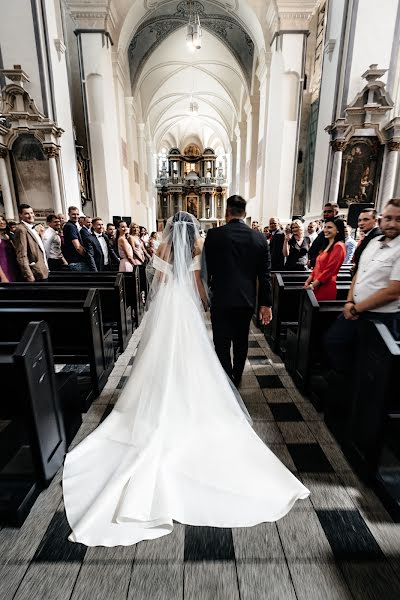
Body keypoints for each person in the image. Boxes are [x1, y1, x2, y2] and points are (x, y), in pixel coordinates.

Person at [63, 210, 309, 547]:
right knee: (193, 358)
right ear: (191, 229)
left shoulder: (163, 250)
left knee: (159, 357)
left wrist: (158, 305)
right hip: (185, 307)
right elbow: (196, 283)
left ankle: (159, 399)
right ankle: (188, 401)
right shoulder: (196, 246)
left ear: (168, 231)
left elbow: (159, 282)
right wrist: (204, 303)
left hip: (167, 307)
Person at [204, 195, 273, 387]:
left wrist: (205, 294)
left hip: (221, 298)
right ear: (245, 213)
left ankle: (226, 379)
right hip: (246, 300)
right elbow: (265, 275)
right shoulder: (259, 238)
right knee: (241, 341)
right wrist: (266, 304)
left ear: (227, 212)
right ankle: (237, 375)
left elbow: (207, 269)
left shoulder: (214, 235)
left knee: (221, 342)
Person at [326, 198, 400, 373]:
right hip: (357, 310)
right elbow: (359, 273)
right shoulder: (374, 242)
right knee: (334, 342)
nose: (392, 223)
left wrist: (356, 308)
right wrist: (350, 301)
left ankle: (357, 392)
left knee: (373, 366)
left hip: (381, 317)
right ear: (381, 220)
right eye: (388, 218)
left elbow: (393, 291)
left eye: (398, 219)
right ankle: (349, 384)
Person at [303, 219, 346, 300]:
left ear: (338, 230)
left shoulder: (339, 246)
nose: (326, 230)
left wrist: (312, 285)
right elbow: (317, 267)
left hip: (325, 287)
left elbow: (329, 271)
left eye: (329, 227)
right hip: (316, 286)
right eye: (325, 227)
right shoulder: (327, 246)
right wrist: (307, 281)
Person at [13, 204, 49, 281]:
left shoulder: (31, 227)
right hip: (35, 273)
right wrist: (29, 275)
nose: (31, 215)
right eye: (27, 213)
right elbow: (22, 255)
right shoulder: (21, 230)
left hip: (42, 269)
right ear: (20, 215)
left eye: (32, 213)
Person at [309, 203, 340, 267]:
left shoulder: (335, 229)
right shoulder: (325, 229)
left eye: (329, 211)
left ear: (336, 213)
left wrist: (314, 262)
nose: (326, 214)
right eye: (325, 212)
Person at [352, 208, 381, 272]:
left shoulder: (377, 237)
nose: (361, 223)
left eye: (366, 220)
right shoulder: (368, 235)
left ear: (375, 221)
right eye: (359, 220)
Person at [63, 206, 88, 271]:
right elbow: (78, 247)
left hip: (74, 261)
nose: (76, 216)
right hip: (77, 262)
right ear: (69, 214)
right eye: (73, 214)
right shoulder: (71, 227)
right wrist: (87, 256)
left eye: (77, 214)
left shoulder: (70, 225)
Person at [0, 215, 20, 282]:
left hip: (11, 266)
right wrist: (3, 277)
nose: (2, 222)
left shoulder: (7, 235)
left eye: (3, 220)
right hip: (2, 268)